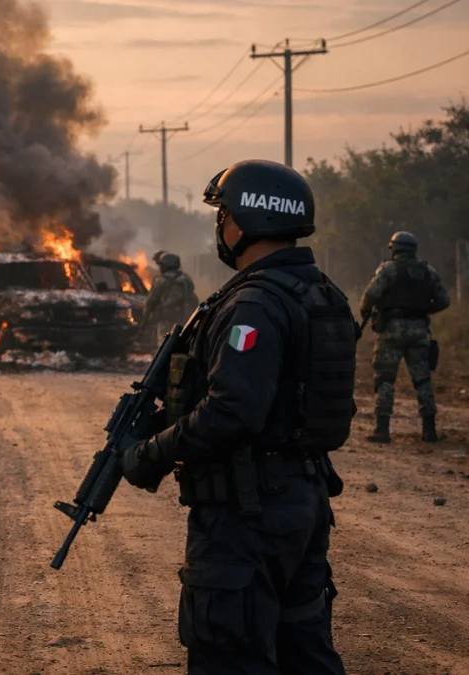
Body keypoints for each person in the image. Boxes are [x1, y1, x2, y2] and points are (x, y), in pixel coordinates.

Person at [122, 159, 355, 674]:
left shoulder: (253, 303)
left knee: (230, 654)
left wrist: (150, 454)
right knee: (305, 652)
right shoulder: (321, 293)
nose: (219, 225)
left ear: (247, 221)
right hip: (301, 498)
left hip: (247, 513)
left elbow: (233, 411)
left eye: (223, 213)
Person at [359, 231, 451, 443]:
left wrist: (365, 310)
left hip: (392, 330)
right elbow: (444, 300)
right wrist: (423, 311)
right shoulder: (428, 271)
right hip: (419, 331)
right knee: (422, 379)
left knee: (385, 379)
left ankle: (382, 429)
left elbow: (371, 294)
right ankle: (429, 430)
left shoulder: (388, 269)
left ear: (394, 249)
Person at [142, 251, 198, 337]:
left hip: (166, 320)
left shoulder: (160, 281)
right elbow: (192, 297)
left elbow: (151, 301)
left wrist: (145, 319)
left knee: (164, 342)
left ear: (164, 266)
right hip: (184, 318)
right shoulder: (186, 279)